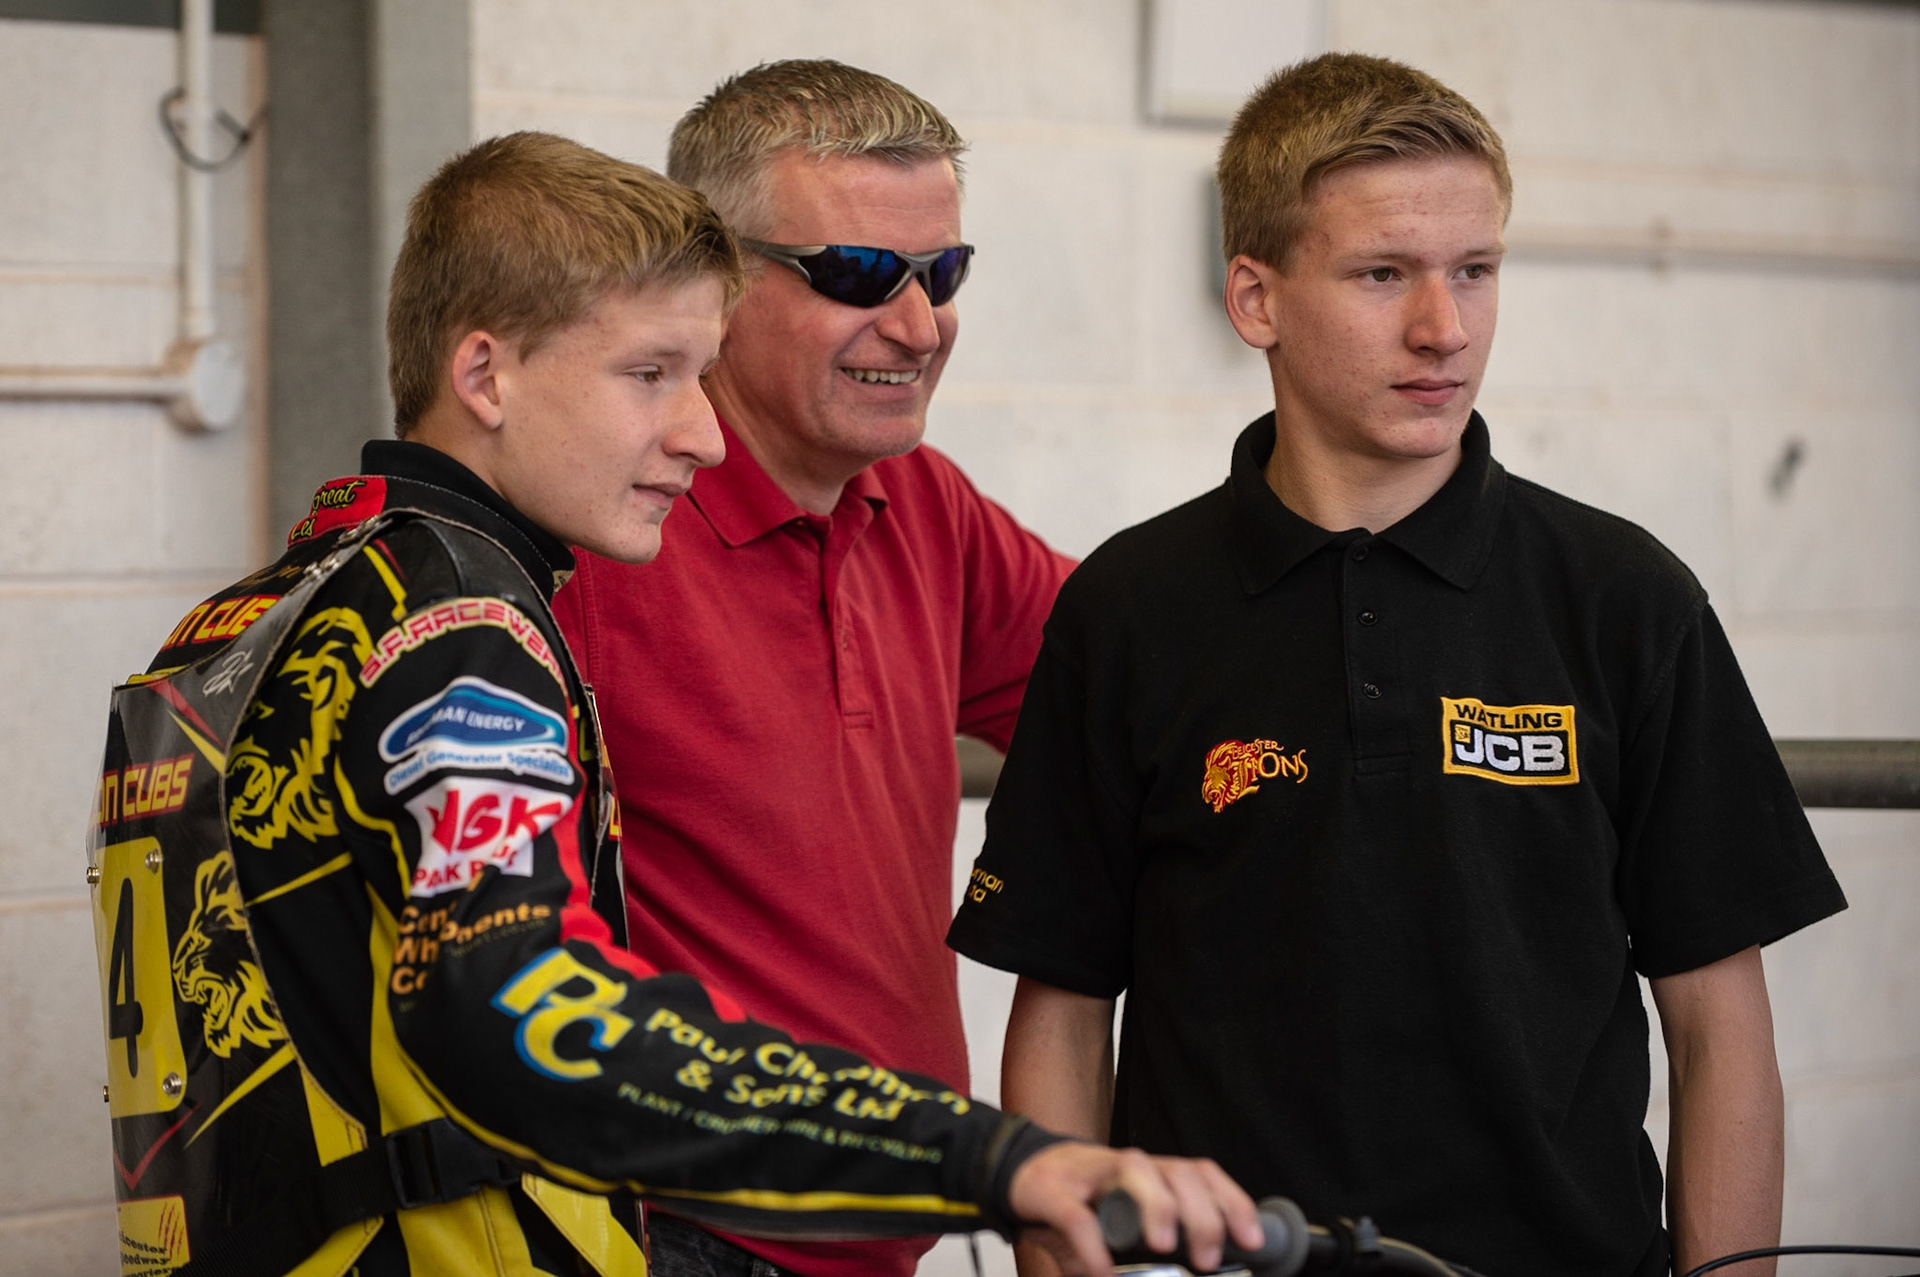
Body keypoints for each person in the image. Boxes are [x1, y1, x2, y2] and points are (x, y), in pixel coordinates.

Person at [87, 131, 1262, 1277]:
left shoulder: (262, 611)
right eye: (652, 374)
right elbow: (531, 1013)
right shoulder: (459, 630)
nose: (702, 432)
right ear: (485, 374)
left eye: (699, 376)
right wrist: (989, 1156)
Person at [946, 53, 1848, 1277]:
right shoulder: (1128, 606)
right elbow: (1061, 1009)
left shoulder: (1626, 596)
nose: (1446, 327)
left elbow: (1720, 1022)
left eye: (1475, 270)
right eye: (1384, 275)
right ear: (1255, 298)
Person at [550, 61, 1075, 1277]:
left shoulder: (921, 503)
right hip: (671, 1235)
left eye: (942, 273)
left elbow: (1165, 674)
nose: (918, 323)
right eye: (854, 276)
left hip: (886, 1228)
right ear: (716, 283)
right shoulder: (598, 531)